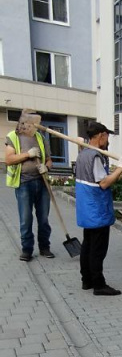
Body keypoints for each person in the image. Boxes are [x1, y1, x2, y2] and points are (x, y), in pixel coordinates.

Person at [75, 121, 122, 296]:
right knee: (97, 249)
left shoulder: (83, 153)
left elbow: (97, 177)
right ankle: (99, 285)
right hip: (96, 209)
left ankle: (87, 280)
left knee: (88, 245)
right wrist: (121, 168)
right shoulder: (95, 156)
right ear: (101, 136)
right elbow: (104, 183)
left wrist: (113, 173)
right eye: (107, 137)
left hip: (86, 208)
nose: (108, 141)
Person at [4, 109, 54, 261]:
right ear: (24, 122)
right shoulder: (13, 137)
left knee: (44, 218)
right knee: (26, 219)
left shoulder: (40, 137)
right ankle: (27, 250)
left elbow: (49, 159)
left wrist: (47, 167)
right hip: (24, 183)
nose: (35, 126)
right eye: (33, 123)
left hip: (42, 182)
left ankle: (45, 247)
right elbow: (9, 159)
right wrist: (28, 154)